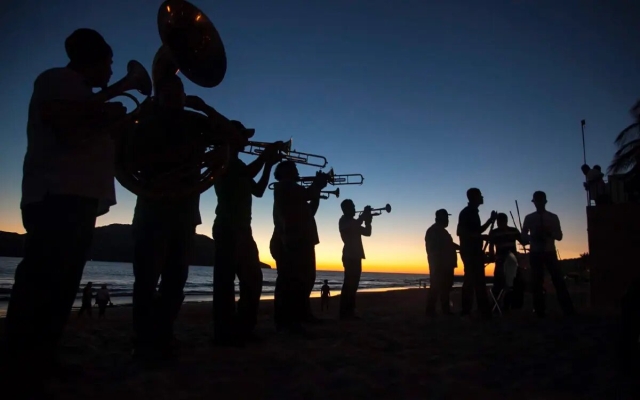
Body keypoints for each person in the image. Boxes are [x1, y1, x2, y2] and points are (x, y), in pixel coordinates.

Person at [3, 28, 126, 382]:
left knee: (61, 284)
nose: (112, 73)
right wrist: (110, 105)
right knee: (44, 281)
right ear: (96, 58)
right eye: (110, 63)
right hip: (57, 195)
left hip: (76, 199)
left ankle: (41, 357)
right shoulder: (58, 79)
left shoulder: (82, 93)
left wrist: (113, 120)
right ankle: (22, 360)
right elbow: (67, 129)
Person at [130, 74, 229, 361]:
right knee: (146, 279)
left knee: (176, 279)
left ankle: (163, 334)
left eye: (180, 90)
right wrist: (182, 160)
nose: (176, 95)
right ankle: (143, 338)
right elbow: (129, 159)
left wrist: (205, 108)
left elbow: (235, 137)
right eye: (168, 91)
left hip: (185, 212)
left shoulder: (194, 121)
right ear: (158, 96)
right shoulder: (145, 123)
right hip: (153, 207)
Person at [212, 124, 281, 347]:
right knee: (226, 282)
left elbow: (259, 191)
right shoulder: (222, 159)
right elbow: (247, 174)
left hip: (243, 227)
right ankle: (225, 331)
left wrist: (268, 165)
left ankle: (243, 328)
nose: (246, 140)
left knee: (252, 279)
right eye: (243, 136)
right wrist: (265, 155)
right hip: (228, 226)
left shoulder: (240, 164)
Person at [272, 161, 328, 333]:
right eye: (294, 169)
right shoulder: (284, 186)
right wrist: (317, 184)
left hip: (302, 239)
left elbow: (311, 210)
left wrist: (317, 191)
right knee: (290, 281)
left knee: (306, 278)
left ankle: (302, 314)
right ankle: (286, 321)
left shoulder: (296, 194)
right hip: (289, 239)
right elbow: (308, 193)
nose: (297, 171)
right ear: (285, 172)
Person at [521, 191, 575, 317]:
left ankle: (567, 309)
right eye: (537, 201)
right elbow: (523, 236)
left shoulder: (552, 217)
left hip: (549, 252)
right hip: (536, 252)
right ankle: (540, 310)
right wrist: (532, 237)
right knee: (537, 282)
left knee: (558, 281)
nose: (538, 203)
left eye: (540, 201)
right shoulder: (529, 218)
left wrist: (549, 234)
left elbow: (560, 236)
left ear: (544, 201)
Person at [456, 188, 497, 319]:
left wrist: (490, 221)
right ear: (474, 197)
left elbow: (477, 230)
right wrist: (482, 237)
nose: (482, 197)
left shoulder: (473, 212)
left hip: (473, 251)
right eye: (480, 195)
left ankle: (480, 309)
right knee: (472, 280)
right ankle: (470, 310)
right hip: (470, 252)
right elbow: (461, 232)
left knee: (478, 280)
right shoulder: (467, 212)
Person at [338, 199, 372, 320]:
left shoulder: (353, 222)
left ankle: (350, 311)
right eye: (352, 207)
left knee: (354, 285)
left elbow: (367, 233)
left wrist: (368, 222)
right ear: (346, 209)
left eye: (353, 206)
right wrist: (363, 217)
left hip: (356, 255)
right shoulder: (344, 221)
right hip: (349, 255)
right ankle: (344, 312)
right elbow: (351, 227)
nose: (353, 209)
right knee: (349, 284)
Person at [488, 213, 525, 312]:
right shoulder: (495, 232)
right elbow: (491, 246)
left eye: (501, 221)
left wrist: (524, 237)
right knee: (500, 283)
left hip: (511, 261)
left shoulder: (513, 231)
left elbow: (523, 241)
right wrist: (492, 255)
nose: (499, 223)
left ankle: (510, 305)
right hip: (501, 260)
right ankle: (497, 305)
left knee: (513, 283)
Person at [425, 209, 459, 316]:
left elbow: (450, 244)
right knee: (437, 287)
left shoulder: (441, 231)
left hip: (445, 265)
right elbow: (435, 248)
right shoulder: (434, 231)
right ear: (439, 219)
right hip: (440, 265)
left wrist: (461, 248)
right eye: (446, 218)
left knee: (445, 288)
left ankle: (444, 310)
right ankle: (432, 311)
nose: (447, 220)